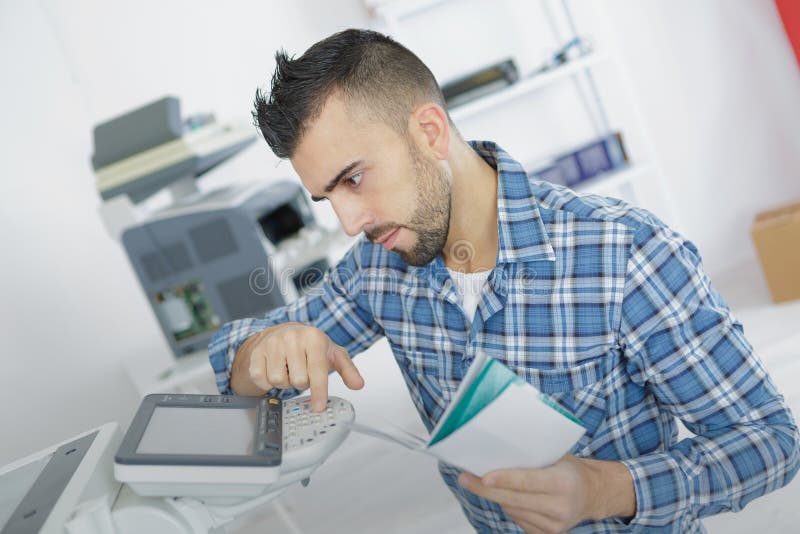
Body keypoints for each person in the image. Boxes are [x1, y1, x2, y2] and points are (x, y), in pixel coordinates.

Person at [209, 29, 799, 533]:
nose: (348, 222)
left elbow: (770, 441)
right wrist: (262, 354)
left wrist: (604, 490)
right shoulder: (378, 267)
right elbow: (239, 364)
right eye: (327, 197)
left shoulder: (626, 254)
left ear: (430, 132)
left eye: (355, 179)